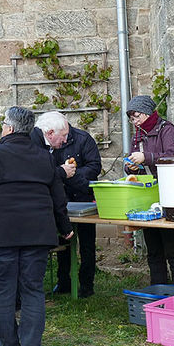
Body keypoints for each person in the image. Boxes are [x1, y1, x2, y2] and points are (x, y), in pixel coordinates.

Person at [0, 106, 73, 346]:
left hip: (0, 234)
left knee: (2, 292)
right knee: (32, 291)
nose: (3, 127)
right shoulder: (44, 157)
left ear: (11, 128)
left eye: (4, 123)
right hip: (37, 234)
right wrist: (65, 227)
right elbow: (57, 197)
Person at [31, 111, 102, 298]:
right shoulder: (42, 143)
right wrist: (62, 174)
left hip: (83, 197)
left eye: (66, 135)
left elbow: (94, 167)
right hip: (60, 199)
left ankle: (87, 285)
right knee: (64, 240)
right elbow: (47, 171)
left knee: (87, 245)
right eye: (62, 136)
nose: (64, 140)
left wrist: (72, 176)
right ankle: (64, 282)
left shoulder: (83, 139)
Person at [124, 95, 174, 288]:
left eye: (135, 117)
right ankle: (158, 291)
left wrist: (147, 157)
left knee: (173, 249)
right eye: (131, 118)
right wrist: (131, 167)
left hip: (171, 196)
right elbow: (133, 160)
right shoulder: (139, 134)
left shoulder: (168, 130)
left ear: (145, 114)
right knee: (153, 250)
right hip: (148, 197)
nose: (133, 122)